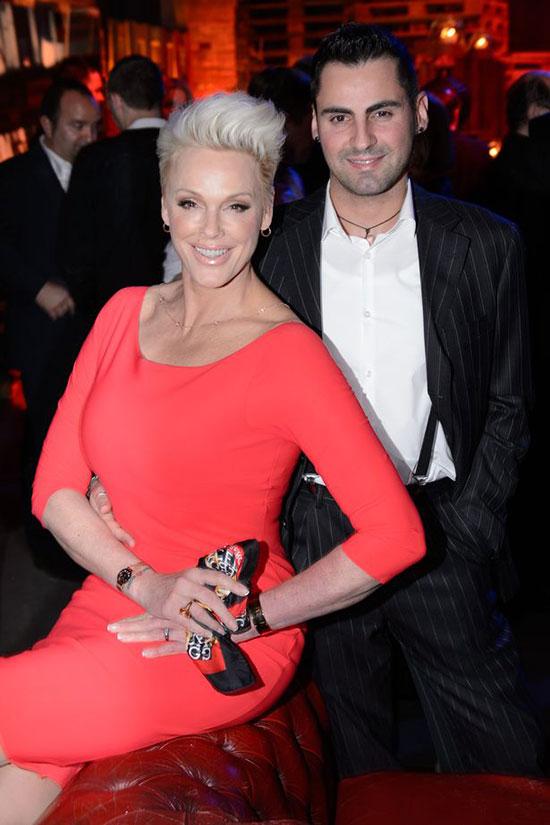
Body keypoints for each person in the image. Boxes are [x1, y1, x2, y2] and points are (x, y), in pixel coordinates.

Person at [0, 92, 424, 824]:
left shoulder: (289, 354)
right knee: (25, 773)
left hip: (214, 628)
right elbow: (52, 490)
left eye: (237, 207)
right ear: (165, 207)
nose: (212, 231)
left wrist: (252, 616)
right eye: (192, 203)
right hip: (119, 592)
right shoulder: (122, 313)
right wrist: (144, 582)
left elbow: (397, 535)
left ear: (267, 212)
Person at [254, 23, 543, 777]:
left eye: (380, 112)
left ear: (416, 114)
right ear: (314, 124)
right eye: (339, 117)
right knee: (351, 768)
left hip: (442, 529)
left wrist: (473, 524)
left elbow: (511, 402)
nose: (361, 140)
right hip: (318, 532)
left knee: (505, 764)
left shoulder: (486, 243)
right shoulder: (272, 248)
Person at [0, 79, 100, 573]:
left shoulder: (98, 169)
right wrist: (37, 286)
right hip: (39, 332)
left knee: (89, 438)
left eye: (94, 126)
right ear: (46, 125)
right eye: (77, 126)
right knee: (42, 438)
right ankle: (45, 548)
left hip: (89, 330)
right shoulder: (13, 176)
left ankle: (85, 542)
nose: (88, 137)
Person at [60, 55, 168, 328]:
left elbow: (75, 249)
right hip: (183, 311)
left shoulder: (94, 159)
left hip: (114, 315)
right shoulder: (190, 148)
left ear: (116, 101)